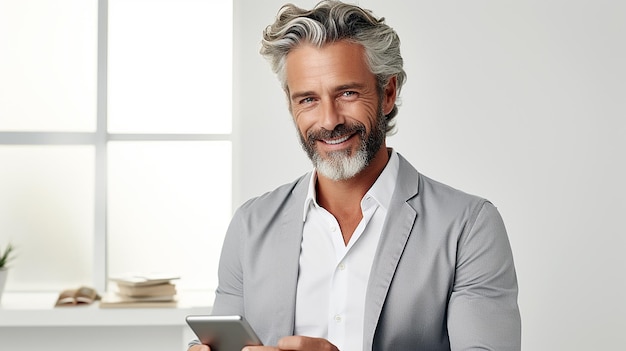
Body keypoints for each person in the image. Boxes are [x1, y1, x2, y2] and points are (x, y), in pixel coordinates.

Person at [189, 1, 521, 350]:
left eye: (347, 93)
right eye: (308, 100)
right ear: (291, 105)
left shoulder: (468, 226)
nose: (329, 120)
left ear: (388, 92)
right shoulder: (249, 226)